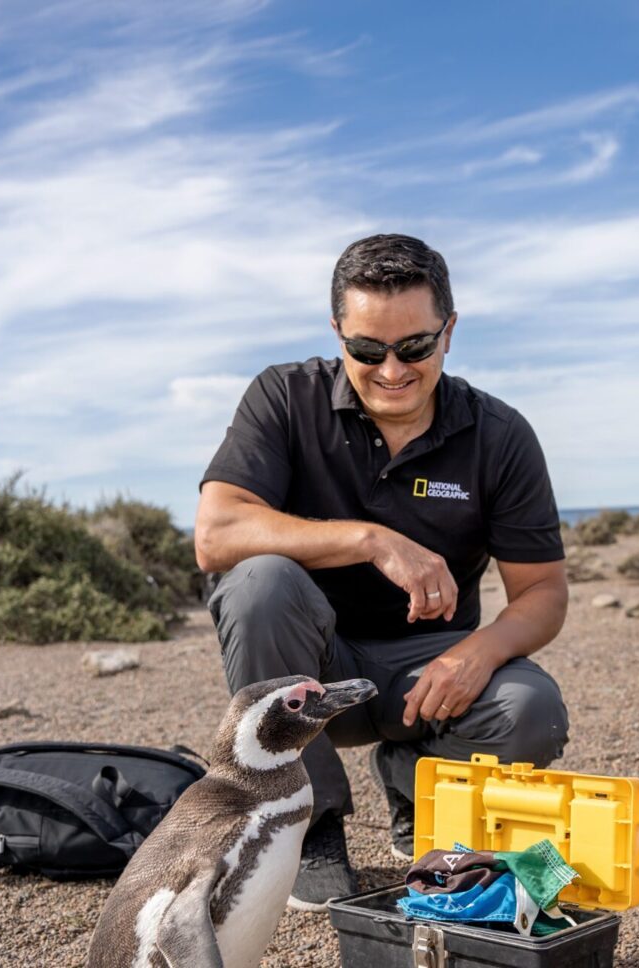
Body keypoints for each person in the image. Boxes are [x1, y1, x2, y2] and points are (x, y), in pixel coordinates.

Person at [195, 233, 572, 911]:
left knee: (531, 710)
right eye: (367, 350)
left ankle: (416, 783)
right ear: (337, 332)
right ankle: (310, 828)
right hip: (311, 669)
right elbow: (217, 534)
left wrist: (479, 653)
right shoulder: (283, 398)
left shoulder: (499, 434)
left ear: (449, 332)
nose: (392, 369)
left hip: (425, 672)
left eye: (415, 347)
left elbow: (542, 592)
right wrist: (371, 539)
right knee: (259, 583)